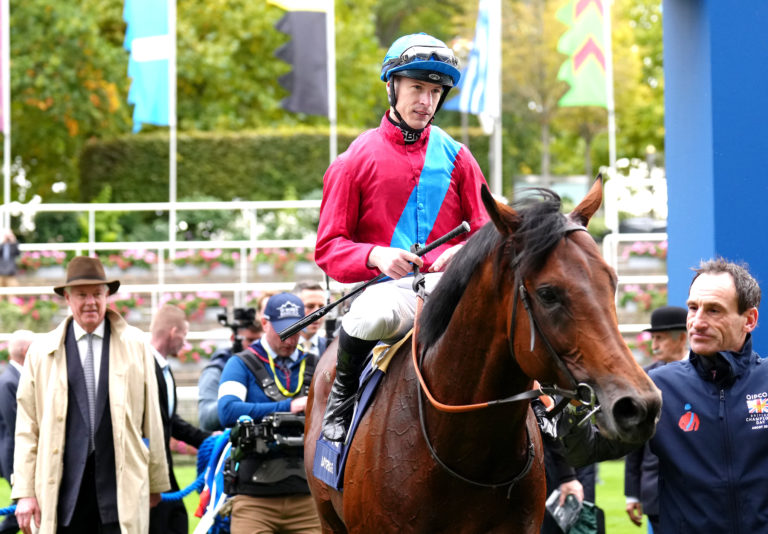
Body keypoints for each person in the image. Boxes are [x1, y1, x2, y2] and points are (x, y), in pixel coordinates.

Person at [315, 32, 489, 442]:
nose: (425, 102)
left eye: (433, 92)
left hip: (454, 287)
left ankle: (543, 407)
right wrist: (376, 256)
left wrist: (464, 251)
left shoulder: (459, 156)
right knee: (370, 314)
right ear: (392, 86)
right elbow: (329, 248)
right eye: (416, 88)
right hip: (389, 292)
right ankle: (342, 398)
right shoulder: (352, 161)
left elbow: (488, 228)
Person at [556, 258, 762, 534]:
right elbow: (586, 451)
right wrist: (572, 404)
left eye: (714, 310)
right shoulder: (659, 385)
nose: (698, 322)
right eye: (693, 308)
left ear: (749, 319)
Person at [12, 256, 170, 534]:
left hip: (120, 489)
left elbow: (153, 420)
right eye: (82, 295)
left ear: (107, 296)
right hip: (61, 492)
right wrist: (25, 491)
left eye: (97, 294)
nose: (90, 302)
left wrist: (156, 482)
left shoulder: (136, 345)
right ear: (67, 299)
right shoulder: (40, 352)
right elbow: (27, 427)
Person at [217, 292, 320, 534]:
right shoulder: (240, 363)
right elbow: (227, 410)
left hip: (308, 500)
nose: (290, 339)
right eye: (283, 331)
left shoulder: (317, 364)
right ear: (265, 323)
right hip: (254, 501)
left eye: (296, 331)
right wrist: (288, 406)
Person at [624, 306, 687, 532]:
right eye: (653, 338)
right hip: (657, 493)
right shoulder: (644, 379)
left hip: (700, 492)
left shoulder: (706, 373)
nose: (654, 345)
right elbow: (635, 439)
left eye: (660, 338)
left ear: (681, 338)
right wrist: (631, 493)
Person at [149, 304, 211, 534]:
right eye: (184, 336)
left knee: (175, 520)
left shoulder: (164, 369)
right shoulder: (144, 367)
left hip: (162, 468)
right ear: (173, 332)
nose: (184, 343)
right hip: (148, 471)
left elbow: (169, 420)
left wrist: (207, 439)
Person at [197, 321, 263, 432]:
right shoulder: (216, 369)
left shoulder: (268, 366)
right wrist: (234, 401)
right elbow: (206, 418)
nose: (256, 345)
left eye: (259, 340)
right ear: (234, 338)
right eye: (250, 340)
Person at [0, 330, 34, 534]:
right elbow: (16, 427)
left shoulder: (16, 378)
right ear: (26, 350)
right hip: (15, 457)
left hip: (18, 456)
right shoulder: (8, 382)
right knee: (21, 506)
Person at [292, 281, 328, 357]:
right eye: (310, 306)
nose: (317, 313)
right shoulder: (278, 348)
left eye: (321, 307)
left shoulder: (332, 348)